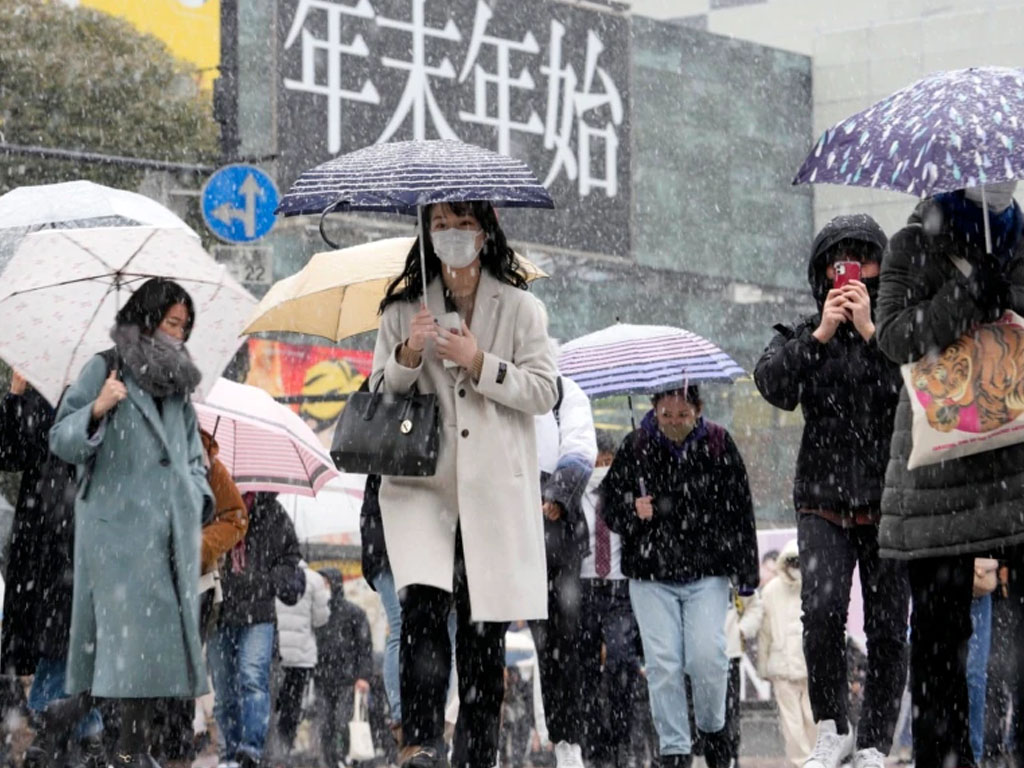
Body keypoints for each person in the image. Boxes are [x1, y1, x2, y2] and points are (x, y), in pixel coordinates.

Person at [371, 200, 559, 768]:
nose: (451, 236)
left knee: (483, 638)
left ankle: (475, 756)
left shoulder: (522, 308)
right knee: (422, 614)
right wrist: (408, 354)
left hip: (494, 492)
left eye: (463, 225)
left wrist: (480, 361)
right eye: (441, 226)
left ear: (485, 233)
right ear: (427, 233)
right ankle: (421, 745)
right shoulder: (404, 309)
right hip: (423, 490)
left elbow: (545, 390)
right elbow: (378, 393)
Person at [875, 180, 1024, 768]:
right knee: (941, 641)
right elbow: (893, 336)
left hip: (1015, 458)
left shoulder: (1019, 236)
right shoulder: (911, 241)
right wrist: (965, 294)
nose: (1003, 184)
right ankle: (946, 759)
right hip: (940, 468)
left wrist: (1007, 291)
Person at [754, 214, 909, 768]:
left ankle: (873, 743)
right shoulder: (803, 333)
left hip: (889, 500)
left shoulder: (897, 333)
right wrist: (821, 334)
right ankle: (832, 728)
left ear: (881, 270)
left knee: (889, 626)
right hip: (822, 499)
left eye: (864, 262)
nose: (852, 275)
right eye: (839, 263)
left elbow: (917, 391)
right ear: (822, 274)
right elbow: (773, 385)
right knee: (820, 614)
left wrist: (873, 332)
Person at [48, 278, 213, 768]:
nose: (178, 335)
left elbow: (192, 455)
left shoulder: (178, 386)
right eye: (171, 323)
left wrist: (194, 494)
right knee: (127, 649)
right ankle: (126, 749)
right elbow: (61, 438)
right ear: (147, 318)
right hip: (116, 534)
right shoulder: (105, 366)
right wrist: (98, 408)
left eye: (185, 326)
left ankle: (102, 741)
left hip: (166, 533)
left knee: (143, 654)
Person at [599, 385, 759, 768]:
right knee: (663, 664)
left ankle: (713, 731)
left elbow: (741, 509)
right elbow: (609, 507)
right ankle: (674, 750)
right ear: (653, 410)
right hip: (650, 575)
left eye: (682, 416)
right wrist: (632, 509)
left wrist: (746, 571)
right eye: (665, 416)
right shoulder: (635, 446)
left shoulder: (719, 443)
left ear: (698, 410)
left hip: (707, 571)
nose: (673, 423)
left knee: (707, 658)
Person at [2, 371, 104, 768]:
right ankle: (82, 733)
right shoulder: (43, 392)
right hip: (38, 543)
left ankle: (55, 733)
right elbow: (11, 453)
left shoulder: (103, 391)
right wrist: (16, 393)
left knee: (64, 639)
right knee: (55, 641)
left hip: (82, 537)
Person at [152, 428, 249, 768]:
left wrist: (196, 545)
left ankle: (175, 755)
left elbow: (235, 517)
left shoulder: (206, 457)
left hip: (195, 586)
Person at [530, 372, 597, 768]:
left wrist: (559, 490)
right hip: (499, 504)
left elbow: (579, 446)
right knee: (481, 631)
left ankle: (567, 739)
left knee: (560, 640)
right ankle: (475, 739)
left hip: (553, 516)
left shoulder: (563, 391)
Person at [209, 492, 304, 768]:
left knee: (253, 679)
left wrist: (266, 580)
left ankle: (250, 752)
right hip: (219, 609)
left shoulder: (271, 512)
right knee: (224, 690)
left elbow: (290, 556)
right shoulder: (213, 504)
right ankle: (229, 755)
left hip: (258, 611)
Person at [577, 429, 640, 768]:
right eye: (597, 461)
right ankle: (592, 745)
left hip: (619, 588)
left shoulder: (627, 493)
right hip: (583, 587)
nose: (602, 467)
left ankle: (619, 738)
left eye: (608, 461)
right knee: (584, 669)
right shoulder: (573, 493)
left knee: (620, 660)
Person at [752, 541, 815, 768]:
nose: (796, 566)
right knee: (791, 725)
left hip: (811, 667)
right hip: (783, 667)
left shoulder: (815, 585)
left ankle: (814, 763)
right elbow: (765, 633)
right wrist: (762, 666)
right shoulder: (771, 591)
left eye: (800, 561)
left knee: (812, 721)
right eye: (793, 561)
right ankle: (800, 764)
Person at [314, 569, 373, 768]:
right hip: (322, 681)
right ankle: (332, 763)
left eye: (326, 583)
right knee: (325, 727)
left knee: (344, 724)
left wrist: (363, 676)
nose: (323, 588)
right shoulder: (317, 613)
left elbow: (365, 648)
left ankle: (350, 760)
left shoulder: (354, 613)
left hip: (349, 681)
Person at [275, 562, 331, 756]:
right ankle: (284, 748)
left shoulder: (272, 572)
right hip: (301, 656)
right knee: (292, 706)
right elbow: (320, 619)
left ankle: (267, 750)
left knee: (271, 702)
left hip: (274, 654)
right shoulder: (314, 579)